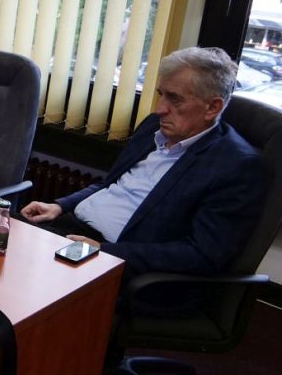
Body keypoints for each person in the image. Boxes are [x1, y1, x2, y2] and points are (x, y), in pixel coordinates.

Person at [21, 47, 265, 281]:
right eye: (161, 94)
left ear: (212, 107)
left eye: (175, 99)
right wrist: (60, 206)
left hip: (121, 261)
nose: (159, 109)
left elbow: (202, 254)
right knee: (6, 236)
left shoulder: (236, 166)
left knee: (24, 281)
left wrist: (105, 251)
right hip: (72, 230)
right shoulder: (153, 128)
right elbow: (111, 185)